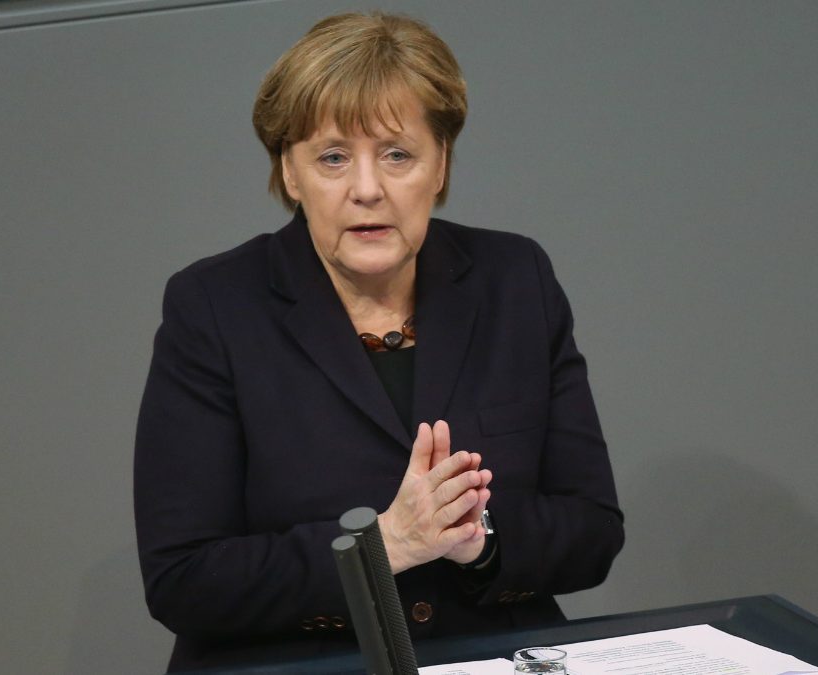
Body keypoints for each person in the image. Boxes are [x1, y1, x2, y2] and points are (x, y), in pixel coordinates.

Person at [134, 12, 624, 672]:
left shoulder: (515, 281)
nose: (367, 188)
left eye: (397, 154)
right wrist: (387, 543)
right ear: (291, 171)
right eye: (333, 157)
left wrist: (477, 538)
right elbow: (184, 577)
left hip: (486, 657)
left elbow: (592, 529)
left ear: (440, 164)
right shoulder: (214, 308)